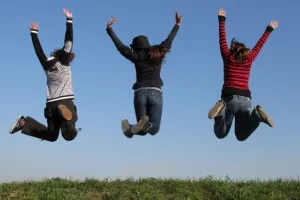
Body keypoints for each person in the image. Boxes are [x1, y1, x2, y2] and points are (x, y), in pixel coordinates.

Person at [106, 12, 181, 138]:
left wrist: (109, 30)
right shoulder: (158, 54)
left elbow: (121, 47)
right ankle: (135, 127)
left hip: (140, 93)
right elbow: (169, 41)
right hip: (155, 93)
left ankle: (132, 128)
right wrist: (177, 24)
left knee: (142, 129)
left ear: (135, 48)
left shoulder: (135, 56)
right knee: (154, 128)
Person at [9, 8, 80, 142]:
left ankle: (24, 123)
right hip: (62, 101)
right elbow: (68, 41)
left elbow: (40, 52)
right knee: (70, 132)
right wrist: (68, 21)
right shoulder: (64, 59)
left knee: (53, 135)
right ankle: (66, 120)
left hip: (52, 105)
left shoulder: (46, 64)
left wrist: (34, 33)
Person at [208, 8, 278, 141]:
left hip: (229, 98)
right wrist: (269, 30)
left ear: (232, 50)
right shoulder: (249, 58)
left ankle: (220, 111)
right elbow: (259, 45)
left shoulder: (228, 56)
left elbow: (222, 39)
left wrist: (221, 21)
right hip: (246, 100)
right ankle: (257, 115)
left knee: (220, 133)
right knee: (240, 135)